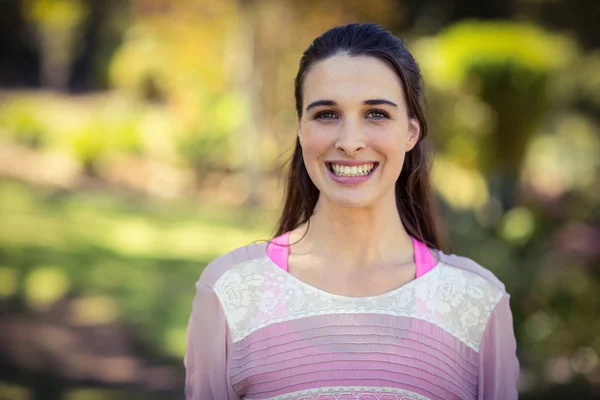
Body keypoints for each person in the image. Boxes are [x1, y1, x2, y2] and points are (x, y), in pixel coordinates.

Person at [184, 23, 519, 400]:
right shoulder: (229, 292)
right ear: (300, 128)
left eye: (376, 114)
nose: (350, 142)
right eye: (326, 114)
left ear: (411, 132)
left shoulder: (478, 302)